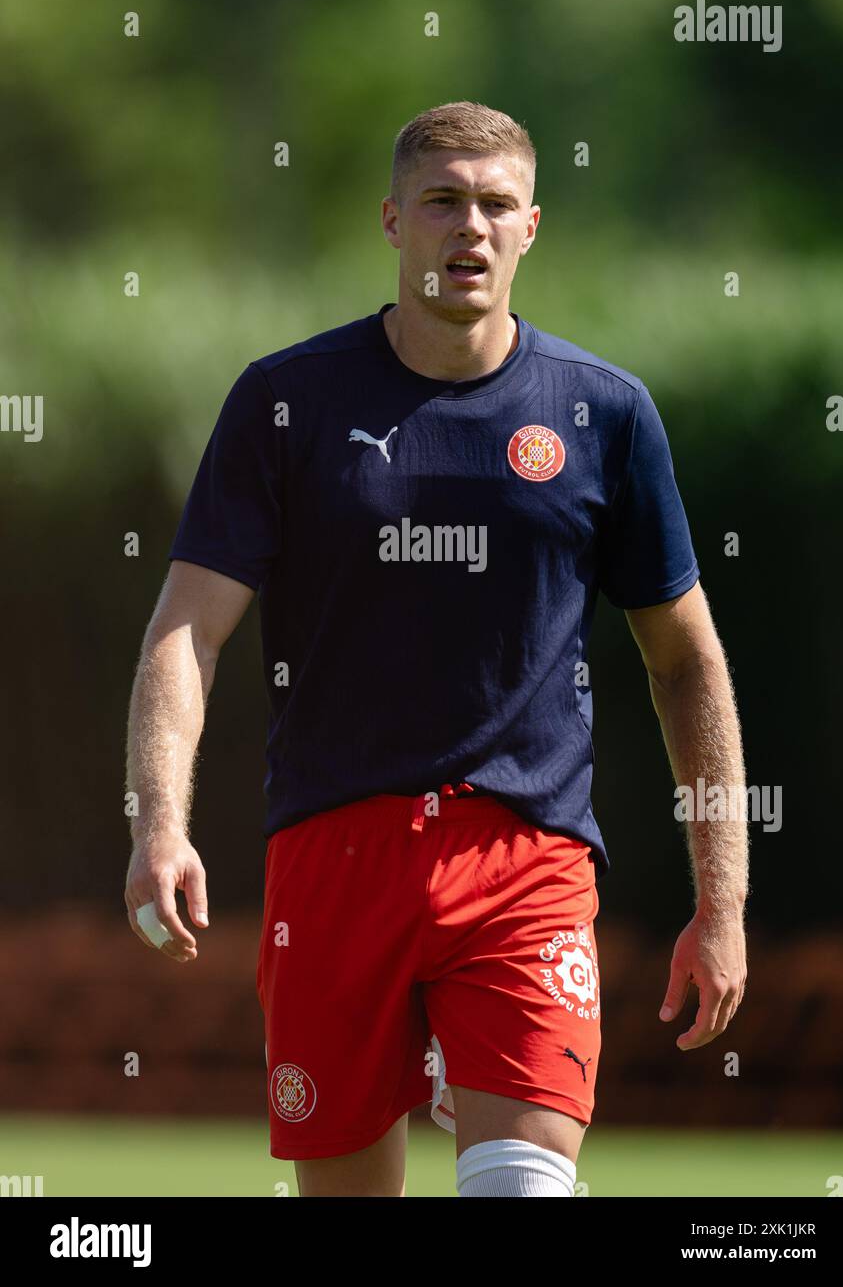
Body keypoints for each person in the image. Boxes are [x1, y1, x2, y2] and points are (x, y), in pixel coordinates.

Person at [125, 101, 748, 1198]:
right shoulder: (285, 403)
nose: (469, 227)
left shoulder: (604, 415)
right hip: (332, 857)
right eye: (442, 202)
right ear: (393, 223)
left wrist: (722, 901)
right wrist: (160, 825)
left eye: (495, 205)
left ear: (530, 228)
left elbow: (685, 661)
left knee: (520, 1188)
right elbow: (188, 627)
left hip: (523, 861)